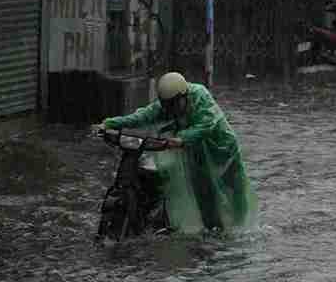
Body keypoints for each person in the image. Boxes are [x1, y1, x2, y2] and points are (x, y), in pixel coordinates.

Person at [98, 71, 256, 233]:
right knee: (203, 192)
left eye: (173, 104)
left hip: (223, 149)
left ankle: (240, 225)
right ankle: (213, 230)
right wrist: (112, 123)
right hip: (197, 152)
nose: (170, 109)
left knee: (234, 187)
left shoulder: (200, 95)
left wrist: (181, 138)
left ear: (184, 96)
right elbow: (144, 115)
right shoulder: (167, 104)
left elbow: (207, 124)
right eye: (166, 105)